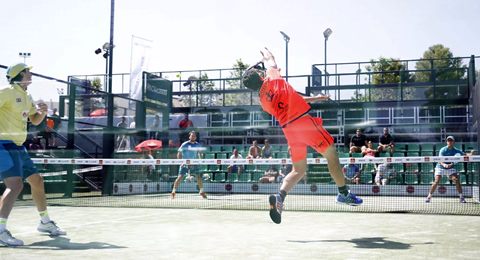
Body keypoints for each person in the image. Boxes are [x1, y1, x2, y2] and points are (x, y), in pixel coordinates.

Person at [241, 48, 362, 224]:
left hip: (289, 131)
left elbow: (293, 98)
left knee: (298, 170)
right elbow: (271, 61)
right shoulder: (273, 78)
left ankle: (280, 196)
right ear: (259, 77)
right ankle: (343, 194)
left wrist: (317, 99)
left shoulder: (263, 102)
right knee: (332, 154)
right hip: (304, 124)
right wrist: (267, 56)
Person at [0, 63, 66, 247]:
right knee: (15, 185)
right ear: (20, 75)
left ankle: (45, 223)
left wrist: (42, 112)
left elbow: (34, 119)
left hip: (19, 146)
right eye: (28, 71)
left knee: (37, 180)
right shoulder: (6, 91)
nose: (31, 73)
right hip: (3, 144)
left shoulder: (26, 95)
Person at [426, 136, 471, 203]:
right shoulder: (443, 150)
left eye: (451, 140)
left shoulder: (456, 150)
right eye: (448, 141)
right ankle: (429, 197)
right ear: (447, 142)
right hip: (440, 167)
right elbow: (440, 160)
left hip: (451, 168)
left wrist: (471, 154)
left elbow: (465, 155)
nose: (449, 142)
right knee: (436, 181)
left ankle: (461, 197)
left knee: (456, 180)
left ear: (453, 142)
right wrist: (444, 164)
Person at [171, 131, 207, 199]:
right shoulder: (184, 144)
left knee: (198, 177)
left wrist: (200, 159)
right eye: (192, 136)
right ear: (189, 136)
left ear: (195, 137)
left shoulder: (198, 144)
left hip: (194, 163)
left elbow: (200, 153)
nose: (193, 137)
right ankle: (173, 191)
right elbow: (179, 153)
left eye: (194, 136)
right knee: (180, 177)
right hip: (185, 164)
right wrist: (181, 162)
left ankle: (201, 191)